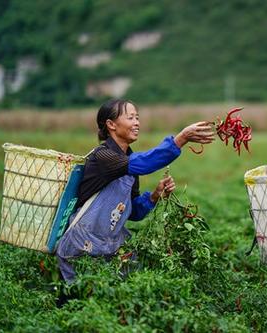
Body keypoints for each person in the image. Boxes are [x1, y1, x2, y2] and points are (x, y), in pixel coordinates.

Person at [56, 99, 214, 283]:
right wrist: (180, 139)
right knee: (78, 302)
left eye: (137, 118)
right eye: (130, 118)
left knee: (122, 297)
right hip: (81, 246)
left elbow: (133, 212)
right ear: (111, 124)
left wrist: (155, 196)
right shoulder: (103, 156)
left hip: (109, 246)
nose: (137, 122)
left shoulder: (128, 164)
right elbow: (144, 163)